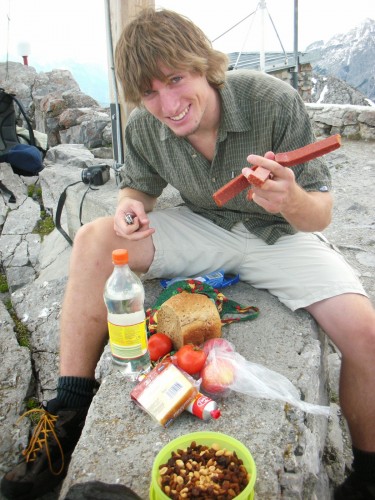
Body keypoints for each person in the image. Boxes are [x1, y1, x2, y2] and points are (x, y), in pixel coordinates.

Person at [1, 7, 374, 500]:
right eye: (150, 92)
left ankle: (368, 475)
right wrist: (129, 210)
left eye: (176, 79)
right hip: (204, 226)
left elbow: (320, 212)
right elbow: (139, 187)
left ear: (204, 65)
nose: (169, 103)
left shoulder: (271, 101)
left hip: (282, 234)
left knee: (367, 335)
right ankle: (69, 410)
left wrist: (293, 201)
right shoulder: (144, 128)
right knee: (94, 239)